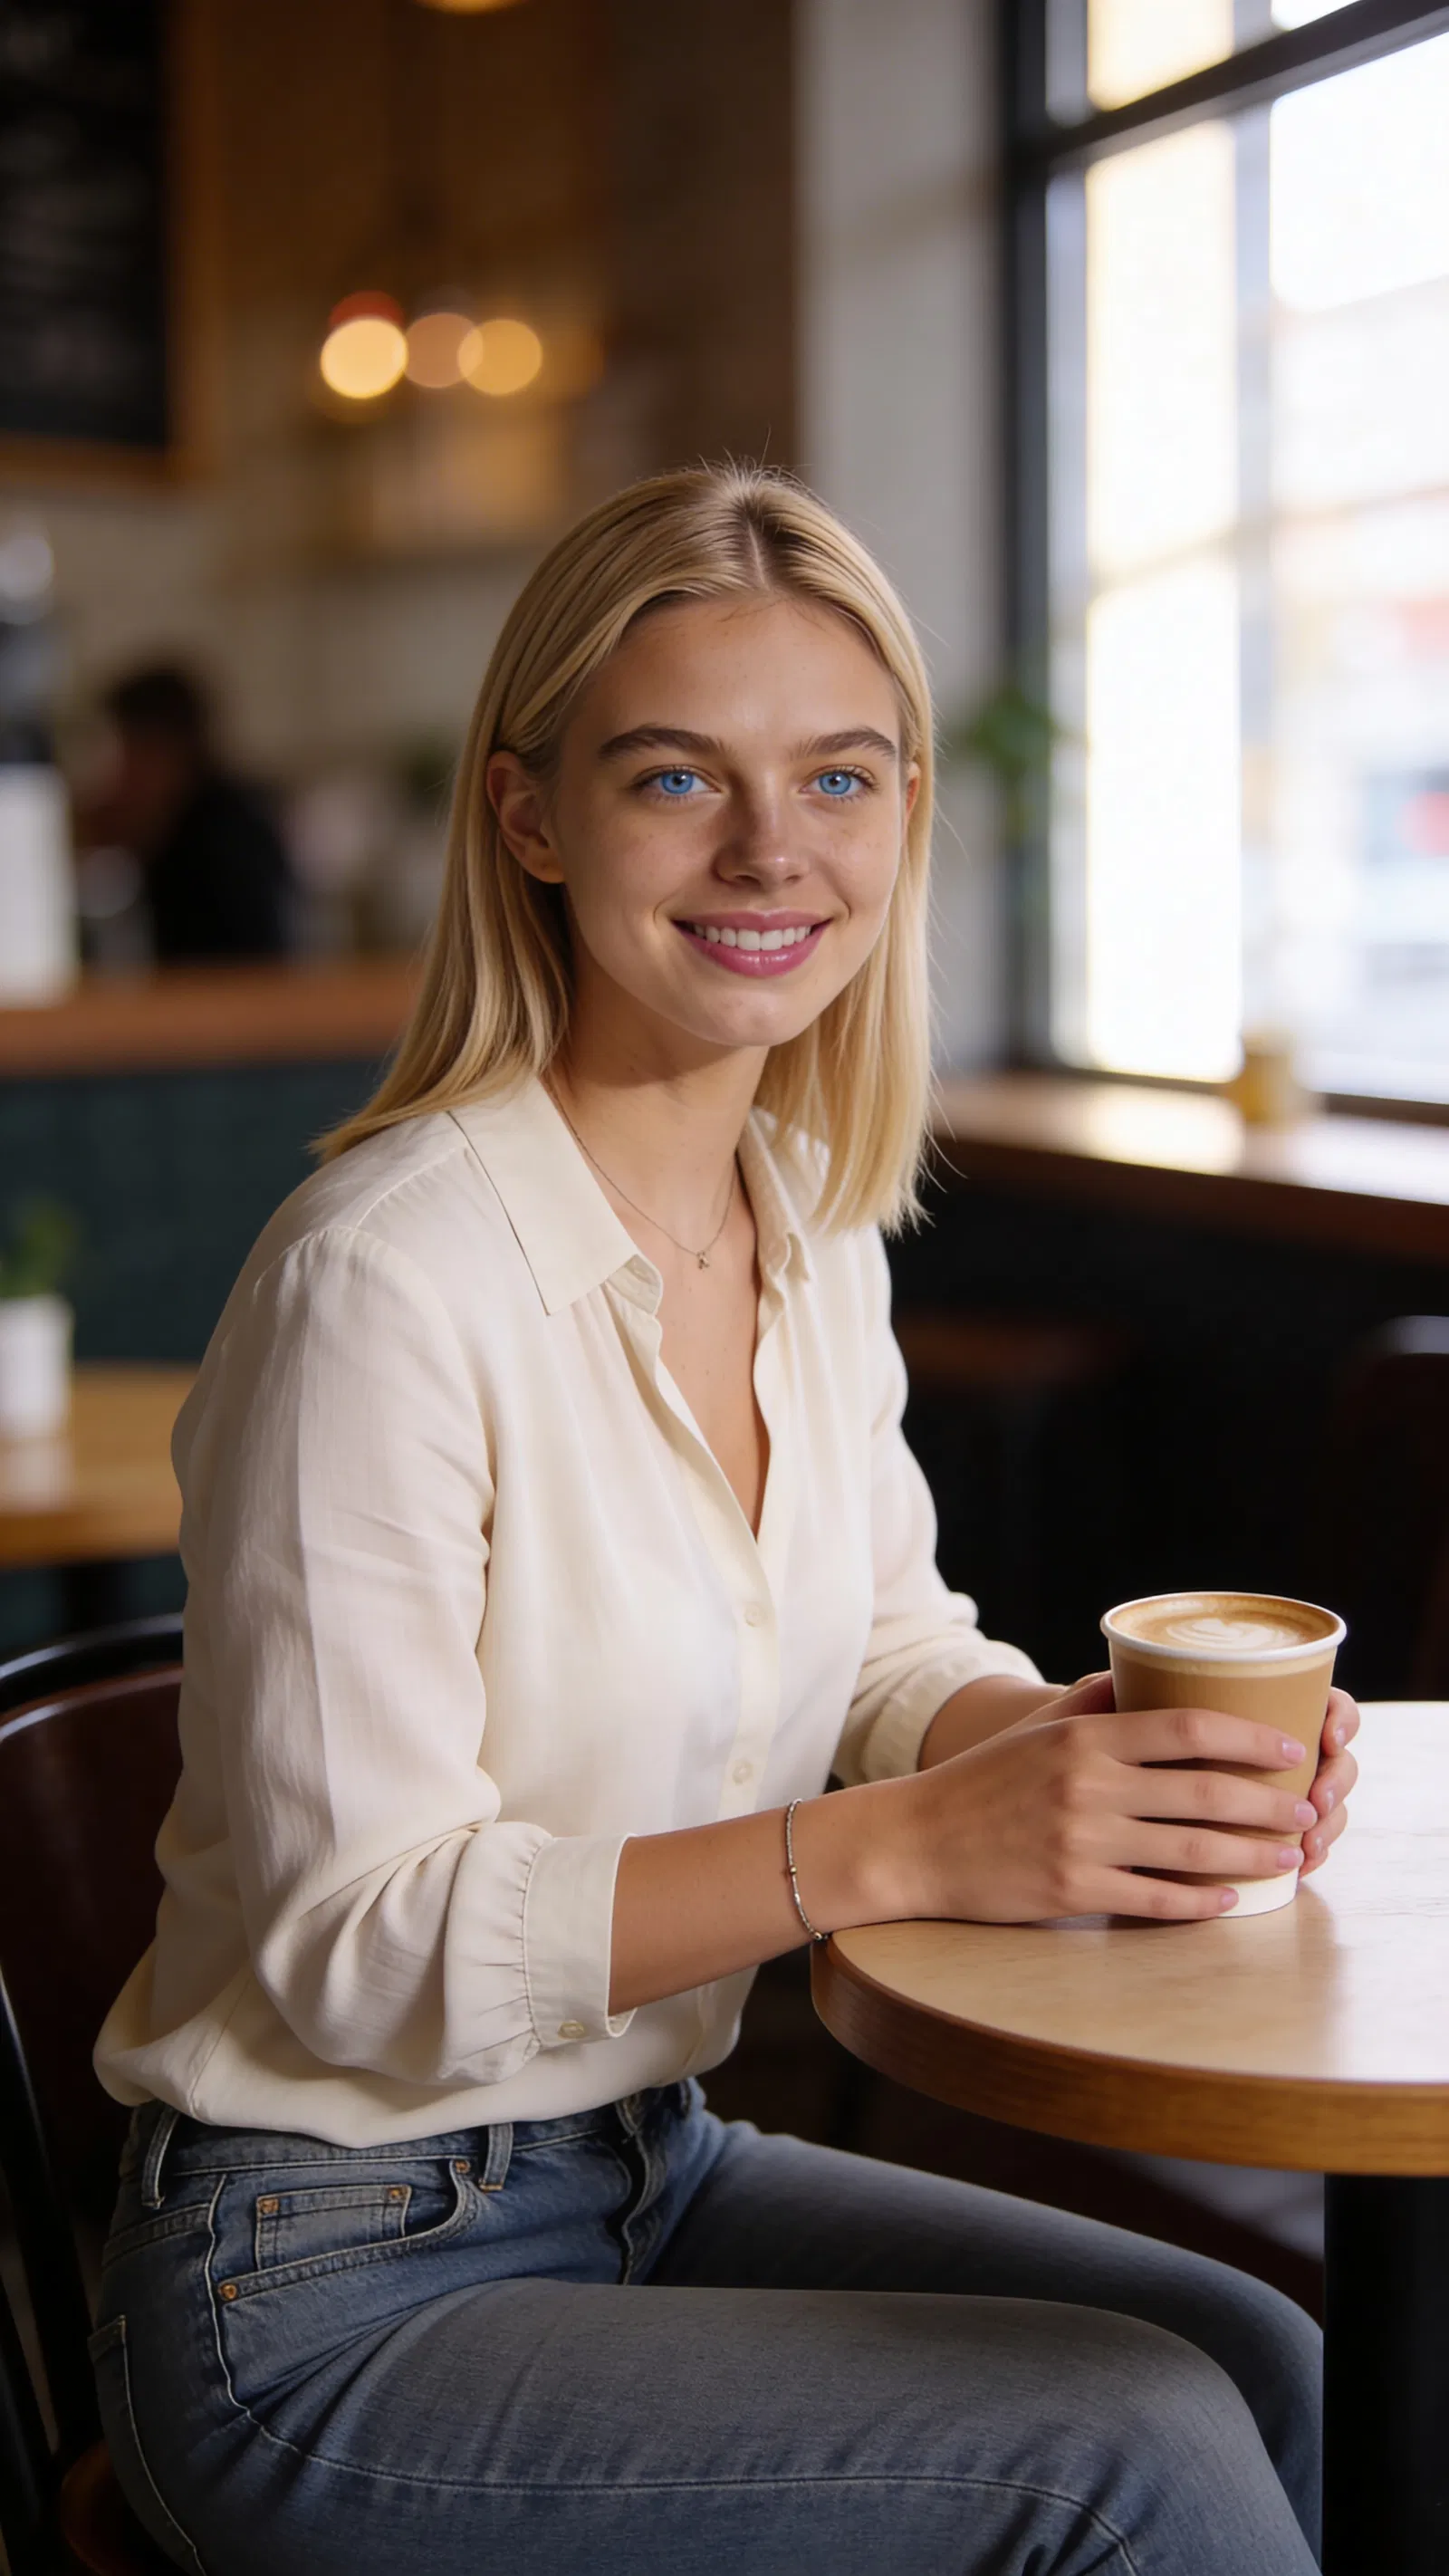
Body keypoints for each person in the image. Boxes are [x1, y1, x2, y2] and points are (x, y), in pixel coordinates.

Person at [92, 467, 1356, 2576]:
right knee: (1123, 2447)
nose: (773, 850)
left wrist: (1051, 1757)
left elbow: (877, 1650)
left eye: (837, 778)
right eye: (677, 774)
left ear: (898, 820)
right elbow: (349, 1944)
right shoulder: (382, 1280)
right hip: (307, 2290)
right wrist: (902, 1846)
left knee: (1250, 2345)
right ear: (527, 815)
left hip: (637, 2161)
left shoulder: (800, 1217)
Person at [82, 663, 292, 961]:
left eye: (127, 749)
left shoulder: (219, 833)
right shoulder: (221, 810)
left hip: (228, 997)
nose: (119, 773)